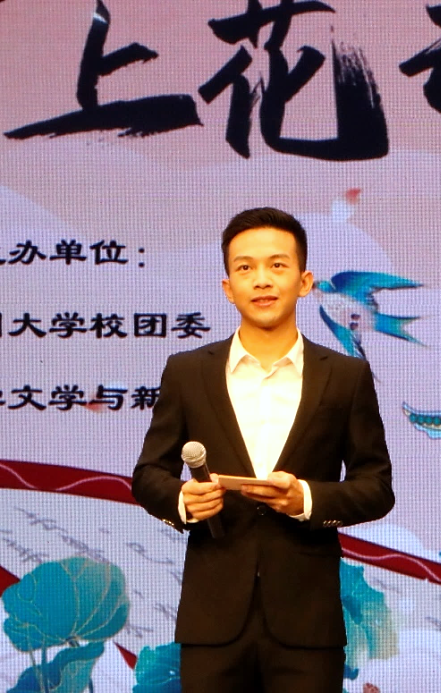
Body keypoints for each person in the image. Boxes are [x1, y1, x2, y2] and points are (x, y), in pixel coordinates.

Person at [132, 207, 395, 692]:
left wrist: (307, 500)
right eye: (245, 267)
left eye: (277, 265)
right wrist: (182, 501)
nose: (261, 280)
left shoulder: (346, 376)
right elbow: (149, 474)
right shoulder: (188, 372)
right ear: (228, 287)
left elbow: (376, 487)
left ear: (304, 281)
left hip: (308, 622)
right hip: (212, 620)